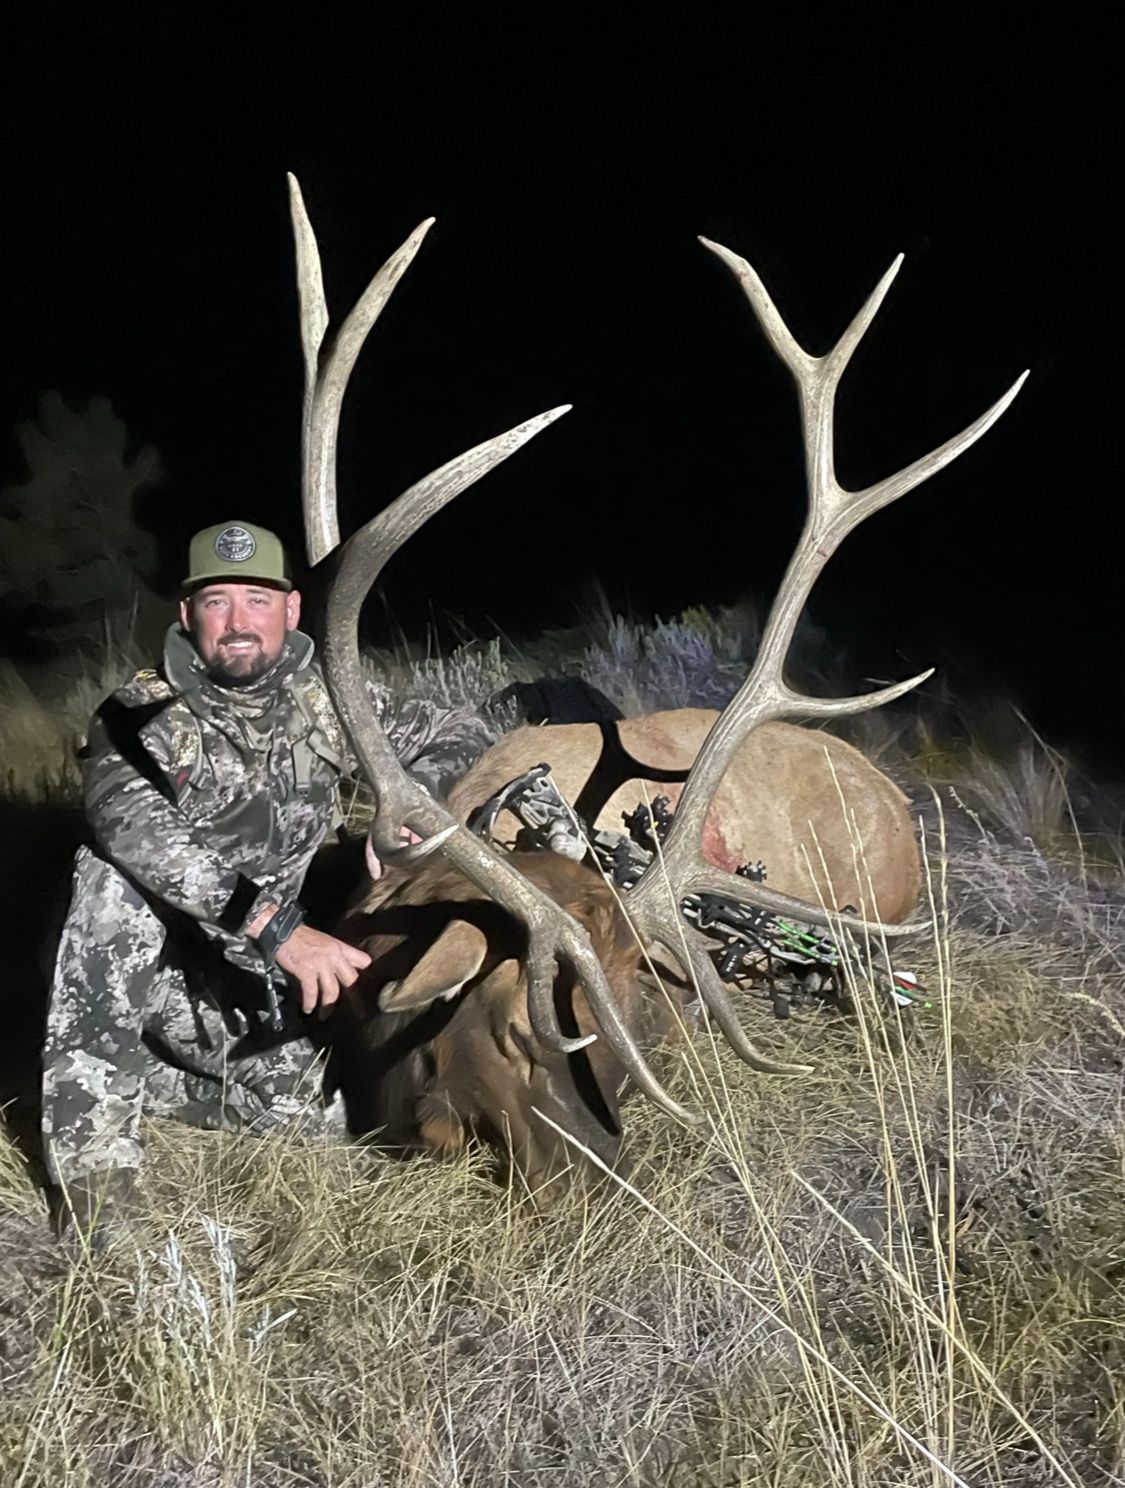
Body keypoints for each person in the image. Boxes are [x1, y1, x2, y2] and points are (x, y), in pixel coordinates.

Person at [42, 520, 492, 1242]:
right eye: (217, 601)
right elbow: (132, 830)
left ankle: (148, 1079)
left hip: (269, 989)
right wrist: (276, 928)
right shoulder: (140, 716)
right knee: (107, 881)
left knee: (331, 1125)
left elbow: (459, 730)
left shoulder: (325, 701)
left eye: (257, 599)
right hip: (169, 981)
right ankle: (92, 1161)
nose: (238, 622)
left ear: (290, 611)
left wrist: (412, 806)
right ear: (187, 617)